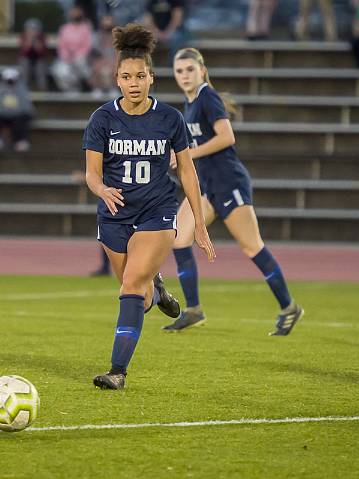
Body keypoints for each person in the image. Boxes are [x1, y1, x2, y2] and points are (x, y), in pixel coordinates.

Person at [83, 24, 215, 390]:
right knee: (138, 298)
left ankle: (117, 371)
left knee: (129, 285)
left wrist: (199, 223)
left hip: (156, 212)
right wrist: (102, 190)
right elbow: (91, 175)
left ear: (151, 79)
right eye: (126, 77)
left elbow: (186, 169)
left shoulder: (170, 119)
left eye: (140, 76)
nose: (134, 83)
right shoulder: (102, 119)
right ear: (117, 79)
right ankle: (157, 291)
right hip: (114, 216)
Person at [165, 47, 304, 336]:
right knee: (179, 238)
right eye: (179, 71)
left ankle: (289, 307)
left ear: (202, 70)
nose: (185, 75)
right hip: (207, 187)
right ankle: (193, 310)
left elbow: (227, 137)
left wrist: (188, 155)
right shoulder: (189, 102)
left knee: (252, 247)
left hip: (229, 183)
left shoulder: (207, 97)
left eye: (190, 69)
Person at [51, 5, 94, 93]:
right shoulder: (64, 28)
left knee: (80, 64)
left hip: (82, 57)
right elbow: (61, 45)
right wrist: (67, 56)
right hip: (66, 57)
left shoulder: (86, 28)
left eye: (77, 12)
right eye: (73, 13)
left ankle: (81, 87)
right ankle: (69, 89)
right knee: (59, 70)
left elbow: (87, 45)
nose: (75, 15)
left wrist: (77, 55)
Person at [0, 68, 35, 152]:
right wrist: (8, 113)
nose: (10, 82)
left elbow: (25, 106)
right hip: (5, 114)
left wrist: (12, 112)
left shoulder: (22, 88)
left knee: (19, 121)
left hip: (20, 114)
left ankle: (21, 141)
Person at [89, 13, 117, 99]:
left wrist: (113, 63)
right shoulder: (96, 36)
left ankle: (113, 89)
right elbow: (94, 53)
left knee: (115, 68)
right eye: (105, 21)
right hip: (99, 62)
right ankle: (97, 88)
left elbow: (120, 54)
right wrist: (101, 62)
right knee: (97, 67)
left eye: (109, 20)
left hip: (113, 62)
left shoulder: (119, 37)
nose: (107, 23)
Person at [18, 18, 49, 91]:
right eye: (30, 29)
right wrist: (30, 39)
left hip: (39, 58)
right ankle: (23, 90)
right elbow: (25, 50)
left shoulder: (42, 37)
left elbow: (40, 50)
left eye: (35, 29)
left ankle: (42, 90)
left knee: (41, 70)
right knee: (25, 68)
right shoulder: (23, 36)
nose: (32, 31)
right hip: (26, 58)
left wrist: (35, 40)